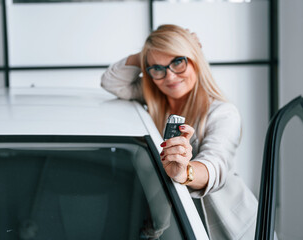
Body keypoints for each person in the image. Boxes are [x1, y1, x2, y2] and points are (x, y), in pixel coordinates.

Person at [101, 24, 257, 240]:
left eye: (177, 61)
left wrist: (185, 172)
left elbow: (216, 165)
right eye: (157, 68)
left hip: (229, 228)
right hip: (177, 223)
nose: (170, 76)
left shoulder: (222, 113)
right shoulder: (153, 101)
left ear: (195, 59)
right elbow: (110, 81)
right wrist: (147, 54)